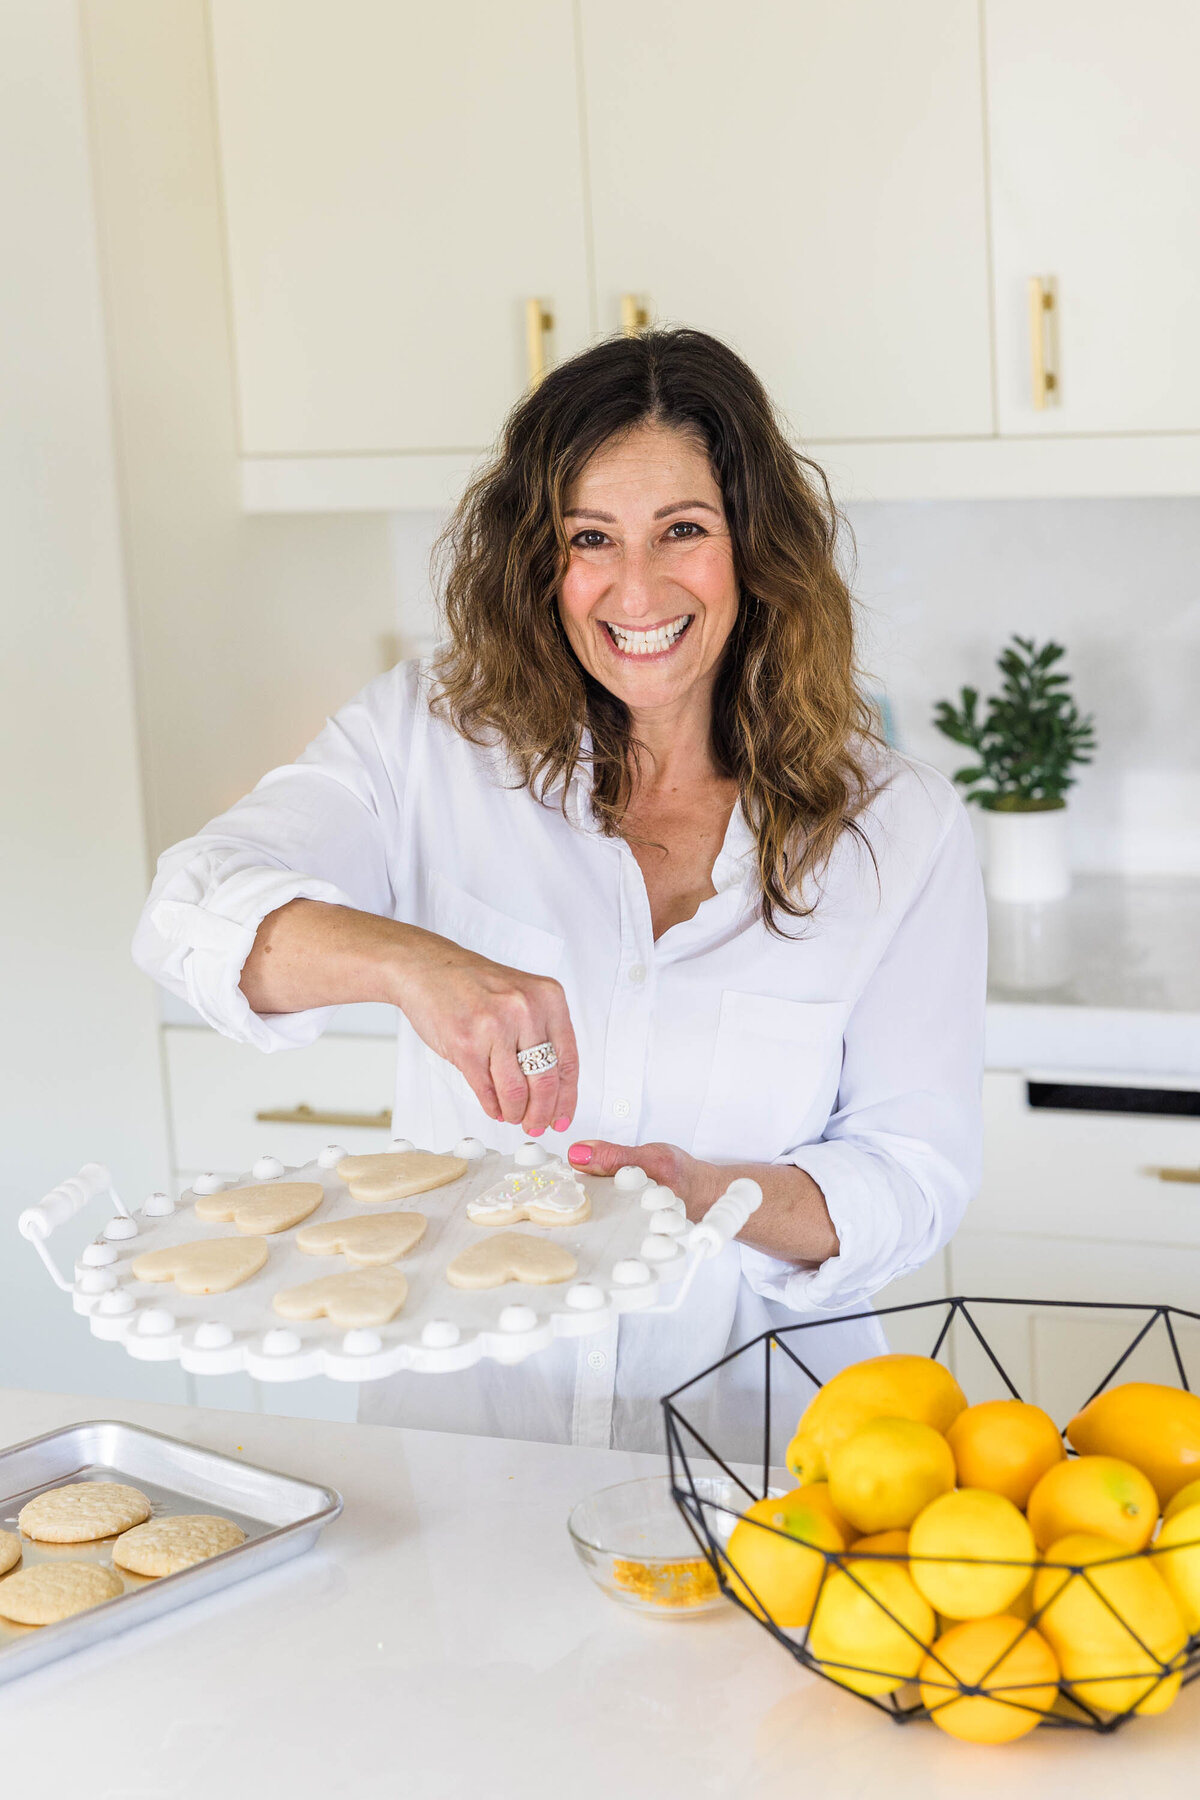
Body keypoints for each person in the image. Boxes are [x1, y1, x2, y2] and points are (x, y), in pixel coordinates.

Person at [133, 328, 985, 1459]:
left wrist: (707, 1196)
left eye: (683, 530)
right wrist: (412, 965)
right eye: (591, 539)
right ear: (542, 561)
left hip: (766, 1463)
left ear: (757, 549)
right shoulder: (429, 740)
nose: (635, 588)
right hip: (463, 1449)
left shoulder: (897, 825)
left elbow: (912, 1178)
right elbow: (190, 910)